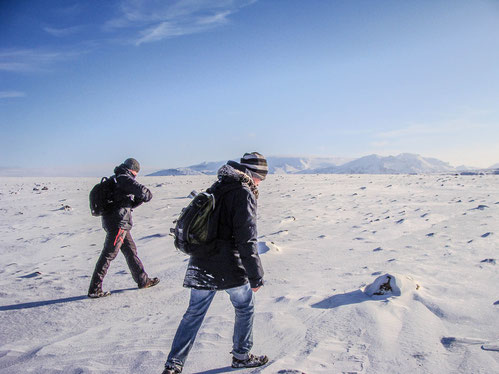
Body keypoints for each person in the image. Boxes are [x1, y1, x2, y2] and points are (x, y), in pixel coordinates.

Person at [162, 152, 269, 374]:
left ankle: (174, 364)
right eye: (261, 177)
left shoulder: (217, 187)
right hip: (227, 265)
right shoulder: (243, 193)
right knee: (245, 307)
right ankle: (241, 356)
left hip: (200, 261)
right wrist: (255, 275)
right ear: (251, 173)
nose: (260, 182)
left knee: (193, 314)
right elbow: (246, 238)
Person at [88, 158, 159, 298]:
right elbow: (144, 193)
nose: (136, 176)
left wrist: (133, 203)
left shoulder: (116, 178)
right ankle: (94, 289)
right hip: (118, 223)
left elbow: (124, 201)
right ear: (133, 170)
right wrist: (144, 197)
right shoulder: (124, 178)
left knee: (131, 251)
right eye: (136, 173)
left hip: (115, 221)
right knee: (108, 254)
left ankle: (143, 280)